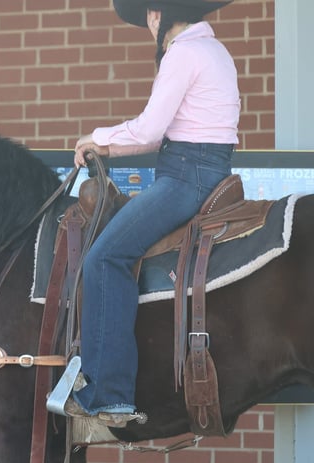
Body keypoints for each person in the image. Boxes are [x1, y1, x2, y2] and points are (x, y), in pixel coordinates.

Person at [58, 0, 240, 427]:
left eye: (149, 15)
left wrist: (96, 139)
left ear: (161, 14)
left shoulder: (183, 53)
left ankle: (108, 394)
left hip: (184, 178)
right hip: (210, 171)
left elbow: (149, 130)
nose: (148, 24)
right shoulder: (216, 51)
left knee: (104, 258)